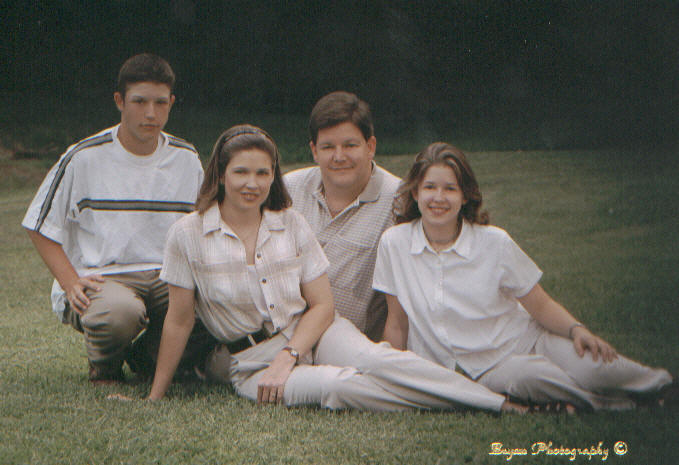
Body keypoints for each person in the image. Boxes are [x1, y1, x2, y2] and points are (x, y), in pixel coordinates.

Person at [148, 124, 526, 414]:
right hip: (251, 363)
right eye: (241, 172)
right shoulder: (187, 234)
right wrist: (156, 396)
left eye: (263, 173)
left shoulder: (290, 222)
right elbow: (179, 321)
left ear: (274, 176)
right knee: (340, 386)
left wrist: (290, 354)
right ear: (220, 175)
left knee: (378, 360)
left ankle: (498, 402)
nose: (253, 183)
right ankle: (482, 403)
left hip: (316, 332)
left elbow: (323, 305)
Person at [373, 142, 673, 410]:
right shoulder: (394, 244)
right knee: (539, 379)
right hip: (489, 367)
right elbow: (397, 322)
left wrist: (577, 330)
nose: (439, 197)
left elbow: (540, 305)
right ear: (415, 192)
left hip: (527, 339)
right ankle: (620, 405)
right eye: (429, 187)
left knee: (594, 366)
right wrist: (398, 374)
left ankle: (662, 385)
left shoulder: (494, 242)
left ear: (465, 196)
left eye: (450, 189)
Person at [22, 53, 205, 383]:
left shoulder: (186, 157)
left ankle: (147, 358)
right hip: (105, 279)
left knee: (217, 305)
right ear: (120, 101)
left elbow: (203, 227)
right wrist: (70, 282)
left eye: (160, 102)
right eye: (139, 101)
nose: (151, 113)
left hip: (166, 276)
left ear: (172, 103)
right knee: (120, 313)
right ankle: (104, 365)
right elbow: (38, 225)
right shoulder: (83, 157)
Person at [284, 91, 400, 341]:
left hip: (350, 342)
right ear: (314, 150)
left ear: (370, 147)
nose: (339, 157)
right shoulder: (289, 190)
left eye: (350, 145)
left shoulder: (398, 201)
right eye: (328, 147)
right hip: (283, 333)